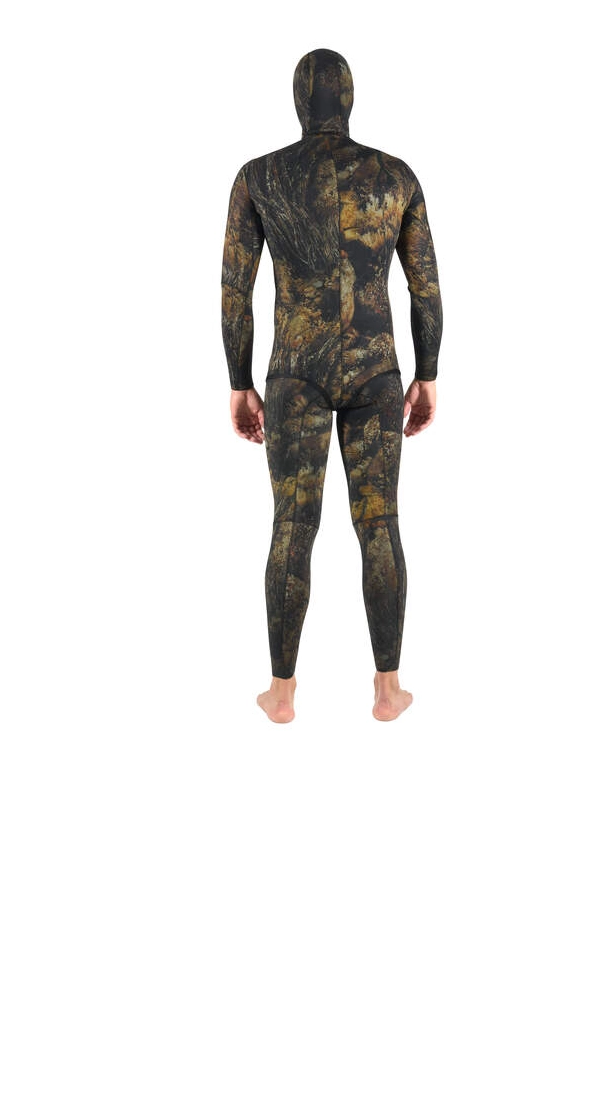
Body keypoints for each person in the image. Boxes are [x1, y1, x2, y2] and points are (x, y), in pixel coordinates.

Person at [220, 48, 443, 723]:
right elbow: (426, 290)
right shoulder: (395, 177)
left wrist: (239, 382)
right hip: (378, 371)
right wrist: (428, 373)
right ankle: (388, 688)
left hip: (296, 370)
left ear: (298, 100)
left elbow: (235, 292)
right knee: (380, 523)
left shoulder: (260, 177)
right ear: (348, 99)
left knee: (293, 524)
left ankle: (282, 693)